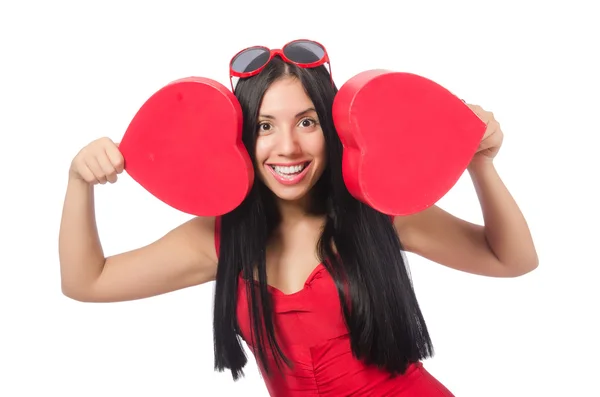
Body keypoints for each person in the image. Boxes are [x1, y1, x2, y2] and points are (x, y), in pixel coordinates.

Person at [59, 39, 538, 396]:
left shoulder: (380, 211)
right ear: (241, 138)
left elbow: (511, 259)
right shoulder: (218, 240)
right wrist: (79, 183)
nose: (287, 146)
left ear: (333, 129)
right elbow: (88, 281)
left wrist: (479, 163)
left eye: (306, 122)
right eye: (264, 126)